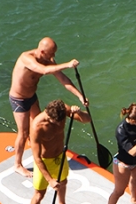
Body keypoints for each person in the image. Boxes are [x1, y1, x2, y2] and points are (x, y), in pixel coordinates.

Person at [9, 37, 86, 177]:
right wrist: (68, 64)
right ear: (43, 51)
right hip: (18, 99)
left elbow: (62, 79)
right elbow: (43, 70)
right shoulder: (26, 58)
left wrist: (79, 96)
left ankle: (40, 154)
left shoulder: (47, 59)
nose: (53, 57)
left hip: (31, 97)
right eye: (51, 53)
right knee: (24, 132)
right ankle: (18, 165)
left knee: (37, 127)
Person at [27, 100, 91, 204]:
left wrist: (79, 112)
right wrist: (49, 180)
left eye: (60, 122)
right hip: (44, 162)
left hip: (60, 157)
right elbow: (37, 158)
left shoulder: (62, 110)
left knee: (63, 181)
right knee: (39, 195)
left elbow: (88, 119)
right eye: (54, 122)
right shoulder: (37, 126)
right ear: (48, 115)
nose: (58, 125)